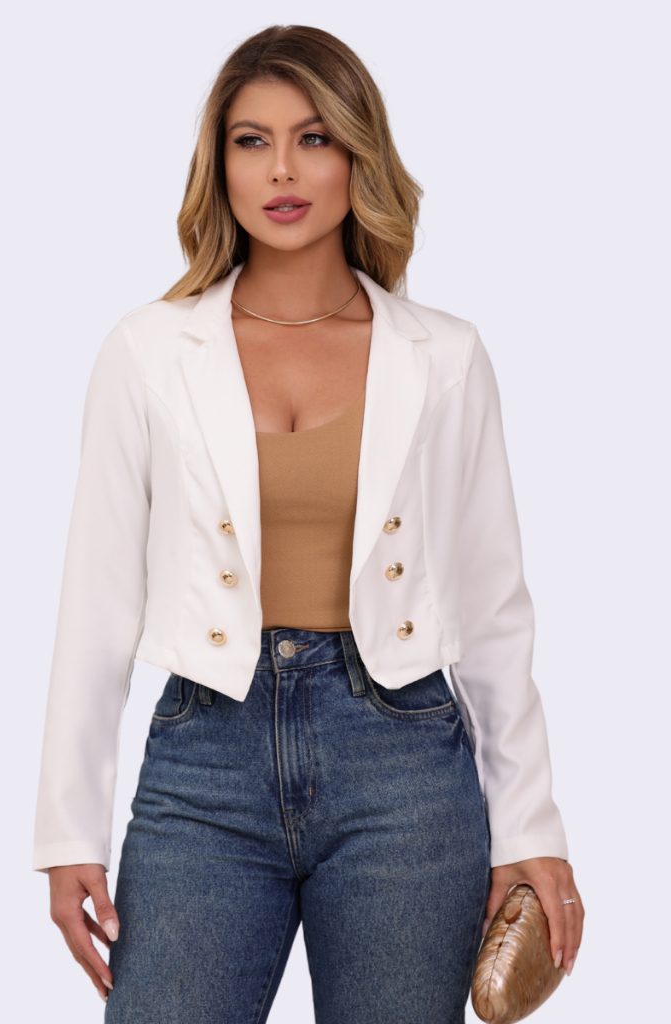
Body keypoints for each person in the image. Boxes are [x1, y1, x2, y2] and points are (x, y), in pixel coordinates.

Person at [34, 24, 584, 1023]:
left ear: (357, 157)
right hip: (204, 762)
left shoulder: (445, 357)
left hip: (404, 767)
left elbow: (493, 606)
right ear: (220, 164)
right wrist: (68, 829)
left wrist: (530, 826)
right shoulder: (147, 352)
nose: (282, 170)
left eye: (314, 137)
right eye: (252, 140)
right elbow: (96, 597)